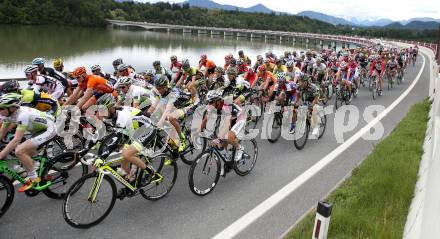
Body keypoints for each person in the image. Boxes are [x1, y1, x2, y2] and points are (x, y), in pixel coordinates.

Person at [0, 93, 57, 192]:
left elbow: (16, 140)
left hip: (49, 129)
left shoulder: (23, 115)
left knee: (19, 151)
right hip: (38, 131)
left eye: (1, 108)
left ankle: (34, 178)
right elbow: (1, 134)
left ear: (12, 108)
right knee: (24, 154)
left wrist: (1, 155)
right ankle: (39, 172)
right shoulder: (8, 115)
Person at [201, 89, 249, 175]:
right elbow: (205, 119)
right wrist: (198, 131)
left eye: (211, 102)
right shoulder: (213, 106)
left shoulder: (225, 106)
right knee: (221, 143)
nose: (209, 104)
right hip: (230, 119)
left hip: (239, 118)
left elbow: (227, 125)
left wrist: (218, 138)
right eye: (208, 102)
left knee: (227, 136)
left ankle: (239, 148)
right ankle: (228, 160)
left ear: (217, 101)